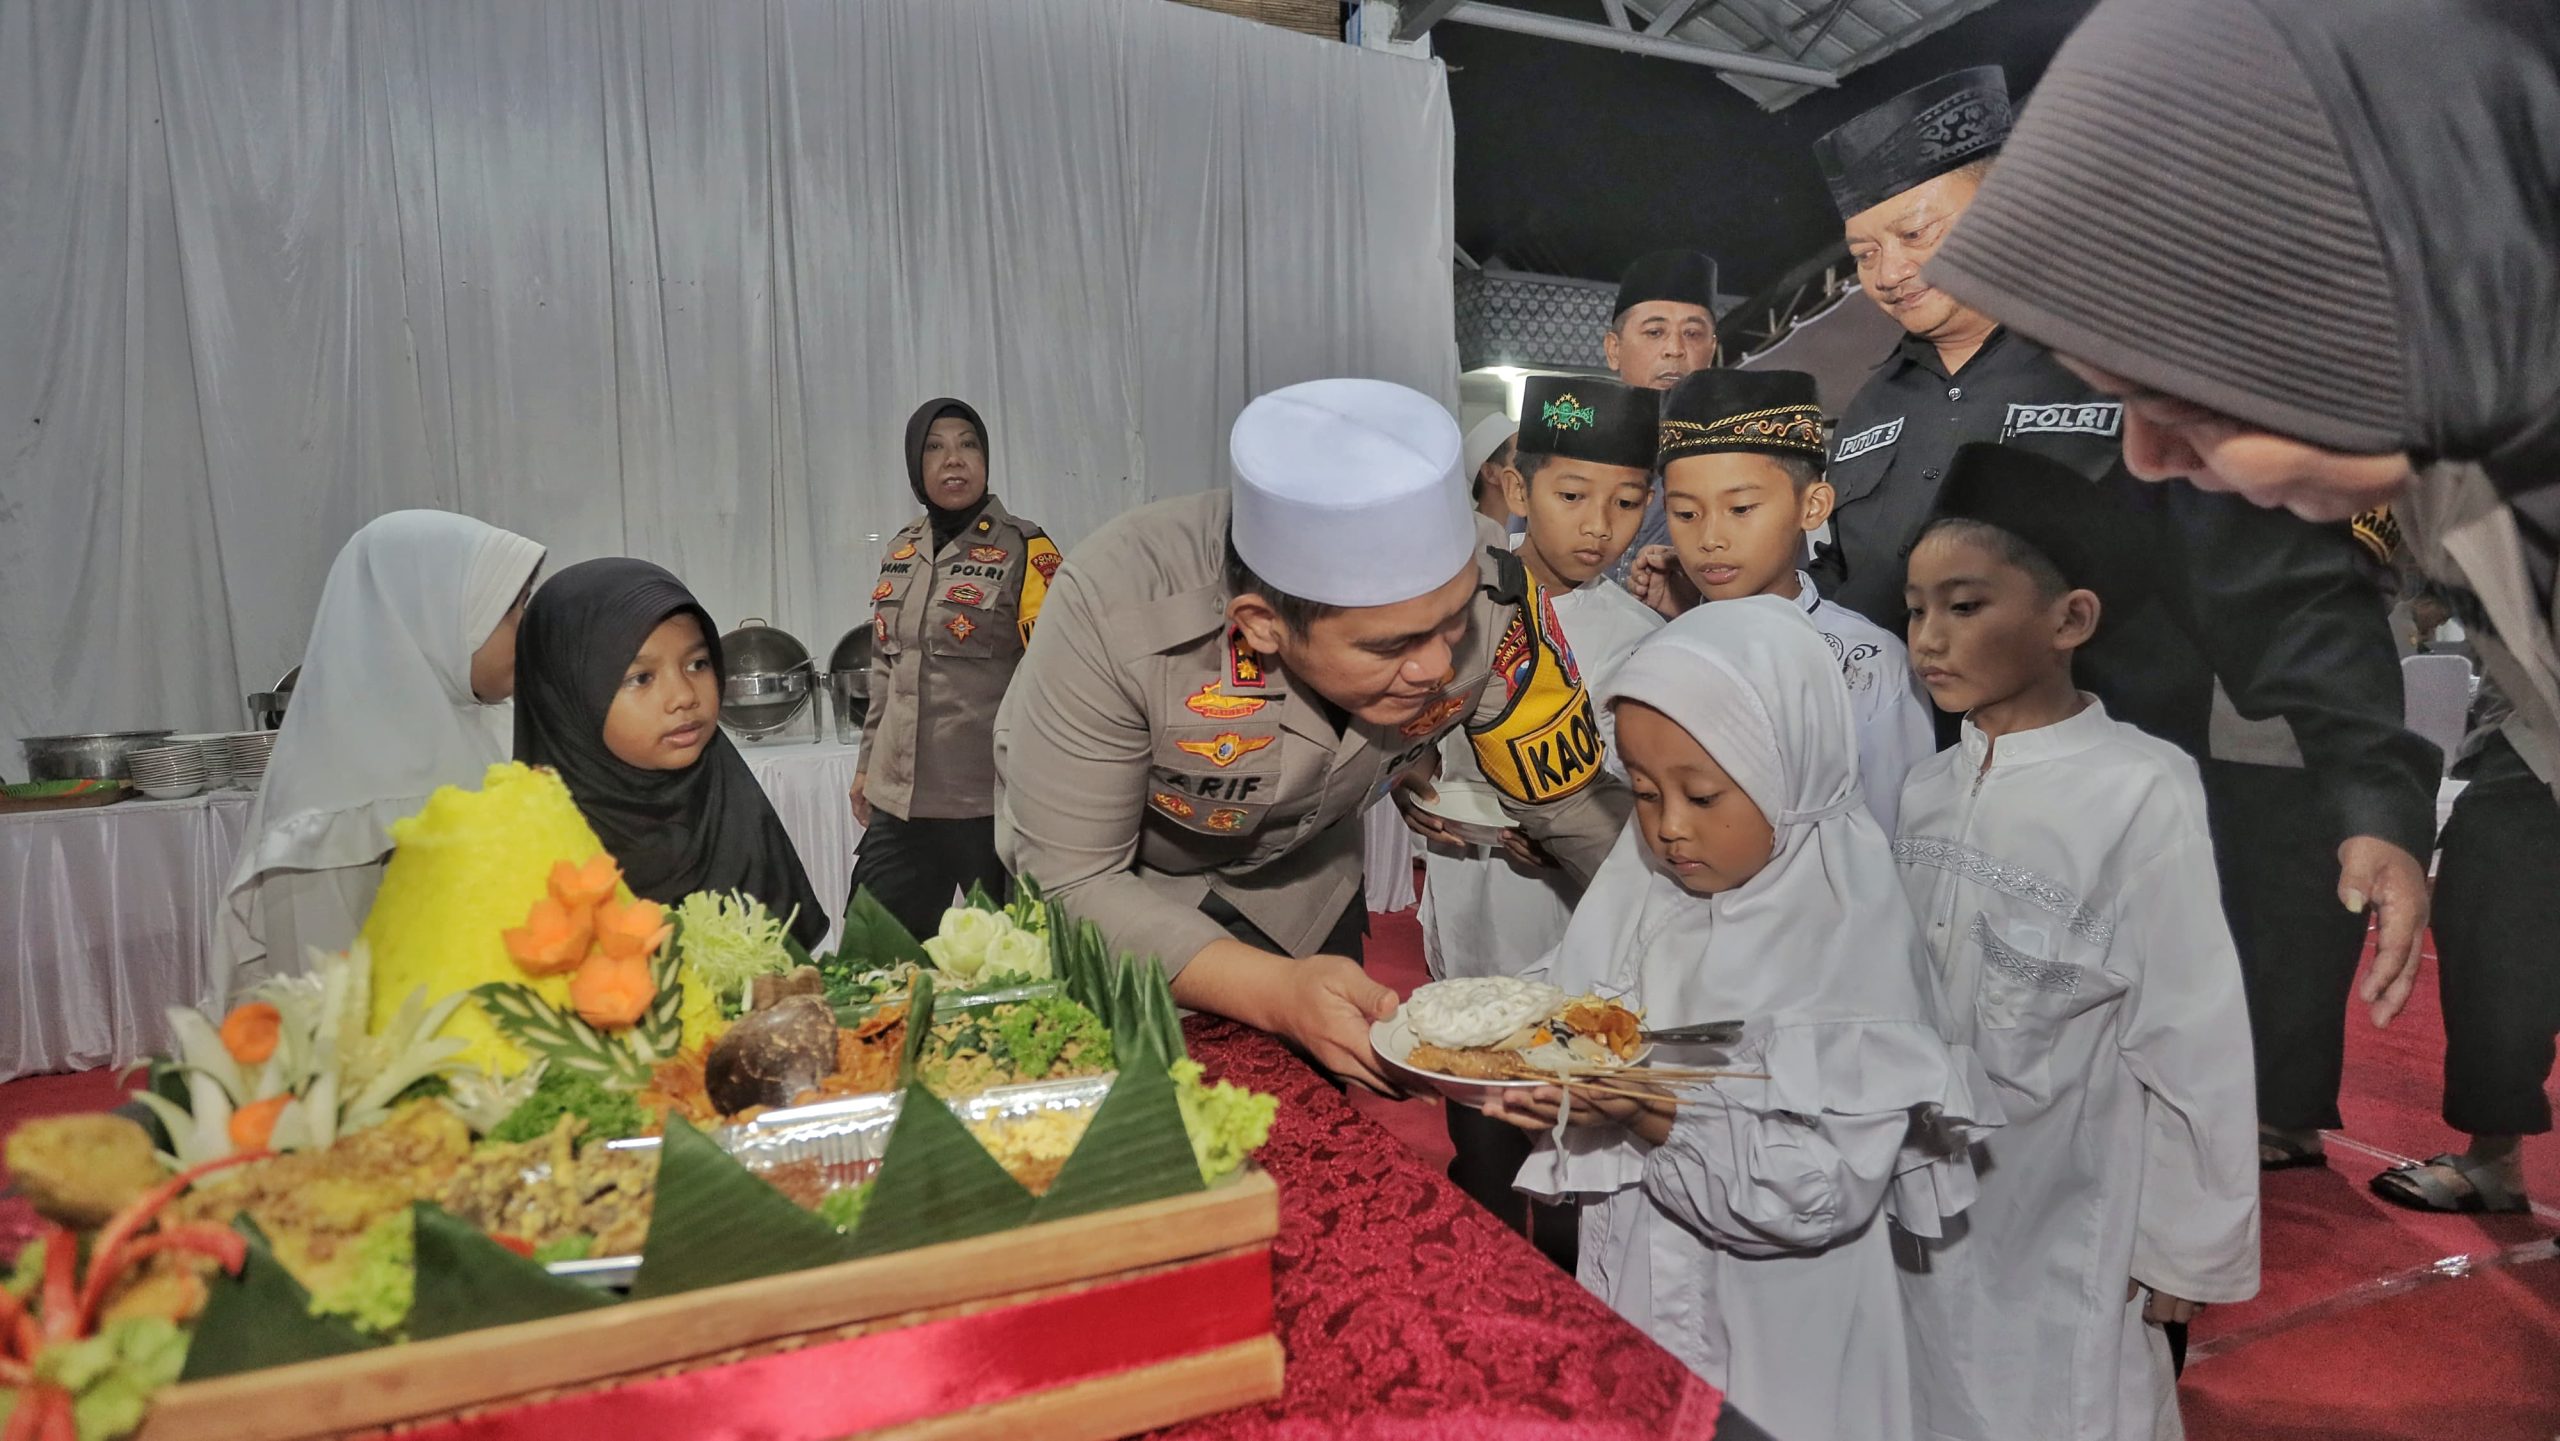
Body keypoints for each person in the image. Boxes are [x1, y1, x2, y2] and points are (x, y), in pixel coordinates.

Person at [1805, 64, 2440, 1171]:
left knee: (2098, 1169)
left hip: (2097, 862)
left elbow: (2286, 594)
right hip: (1908, 848)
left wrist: (2373, 797)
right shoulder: (1868, 412)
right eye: (1863, 253)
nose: (1889, 273)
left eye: (1915, 232)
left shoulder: (2135, 367)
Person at [991, 378, 1631, 1093]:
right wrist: (1272, 991)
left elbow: (1574, 803)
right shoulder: (1114, 609)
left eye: (1451, 621)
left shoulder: (1496, 594)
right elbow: (1073, 879)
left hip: (1305, 891)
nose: (1440, 664)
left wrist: (1706, 924)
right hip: (1130, 903)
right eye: (1391, 646)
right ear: (1262, 624)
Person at [1485, 598, 1991, 1441]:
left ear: (1791, 773)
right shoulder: (1641, 887)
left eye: (1703, 793)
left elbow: (1819, 1190)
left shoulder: (1844, 940)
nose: (1669, 827)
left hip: (1781, 1333)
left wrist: (1650, 1110)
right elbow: (1566, 1002)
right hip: (1642, 1290)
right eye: (1644, 792)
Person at [1896, 443, 2260, 1439]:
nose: (1928, 635)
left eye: (1964, 606)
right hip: (1916, 1187)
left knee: (2057, 1400)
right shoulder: (1922, 790)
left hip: (2062, 1200)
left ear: (2071, 620)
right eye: (1916, 606)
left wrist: (2186, 1242)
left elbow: (2190, 1026)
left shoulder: (2140, 788)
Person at [1414, 375, 1662, 1254]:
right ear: (1517, 489)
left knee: (1559, 1155)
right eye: (1572, 495)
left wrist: (1564, 835)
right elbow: (1412, 735)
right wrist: (1414, 790)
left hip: (1565, 924)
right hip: (1463, 898)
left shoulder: (1643, 639)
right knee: (1475, 1143)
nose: (1600, 526)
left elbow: (1643, 800)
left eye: (1628, 501)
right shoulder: (1452, 601)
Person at [219, 510, 545, 977]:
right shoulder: (330, 802)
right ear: (434, 617)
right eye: (511, 611)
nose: (528, 631)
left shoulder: (492, 728)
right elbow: (319, 1001)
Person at [1634, 368, 1932, 830]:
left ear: (1812, 506)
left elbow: (1895, 830)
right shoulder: (1654, 655)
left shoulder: (1870, 663)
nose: (1710, 538)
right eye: (1686, 513)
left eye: (1741, 509)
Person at [514, 558, 827, 949]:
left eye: (697, 664)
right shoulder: (527, 850)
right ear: (566, 695)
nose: (683, 696)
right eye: (641, 678)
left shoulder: (728, 801)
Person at [847, 398, 1061, 940]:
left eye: (968, 444)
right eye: (936, 448)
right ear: (917, 469)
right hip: (902, 802)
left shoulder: (1027, 549)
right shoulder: (901, 550)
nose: (954, 460)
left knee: (1016, 968)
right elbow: (884, 671)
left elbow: (1058, 676)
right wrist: (867, 763)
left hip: (990, 802)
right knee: (873, 960)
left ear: (985, 459)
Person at [1601, 249, 1721, 585]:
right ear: (1614, 349)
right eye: (1655, 332)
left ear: (1711, 350)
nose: (1675, 349)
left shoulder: (1735, 459)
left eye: (1693, 334)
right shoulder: (1572, 456)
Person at [1461, 411, 1520, 527]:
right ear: (1490, 473)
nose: (1532, 468)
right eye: (1520, 458)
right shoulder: (1471, 539)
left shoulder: (1530, 532)